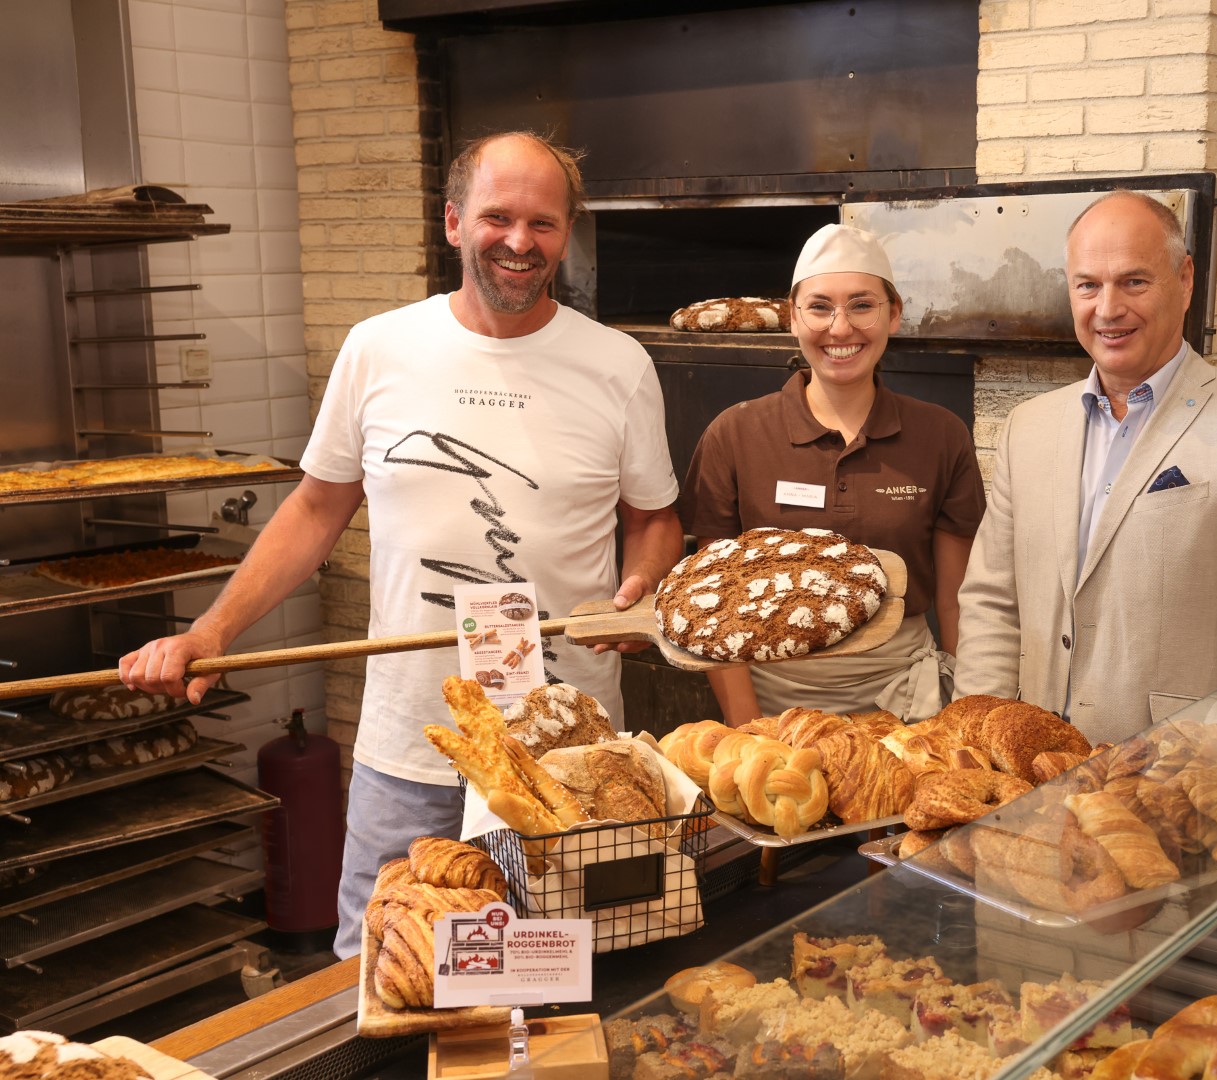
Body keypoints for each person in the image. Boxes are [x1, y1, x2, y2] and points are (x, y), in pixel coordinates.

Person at [118, 131, 684, 957]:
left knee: (560, 967)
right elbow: (315, 510)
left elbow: (654, 518)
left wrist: (636, 592)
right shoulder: (379, 348)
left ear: (568, 233)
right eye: (497, 217)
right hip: (411, 740)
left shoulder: (618, 365)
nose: (520, 243)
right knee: (390, 969)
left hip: (565, 752)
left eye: (544, 223)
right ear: (453, 221)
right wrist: (211, 633)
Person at [953, 189, 1217, 747]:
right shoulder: (1027, 428)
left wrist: (1193, 779)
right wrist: (982, 743)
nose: (1107, 309)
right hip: (1028, 786)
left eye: (1134, 281)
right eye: (1088, 285)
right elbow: (991, 602)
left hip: (1169, 787)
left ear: (1184, 281)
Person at [678, 224, 986, 725]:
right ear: (793, 318)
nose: (840, 328)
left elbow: (954, 600)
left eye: (862, 305)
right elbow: (715, 607)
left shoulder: (940, 435)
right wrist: (750, 727)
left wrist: (963, 719)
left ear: (894, 314)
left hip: (906, 701)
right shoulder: (735, 433)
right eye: (820, 307)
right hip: (776, 704)